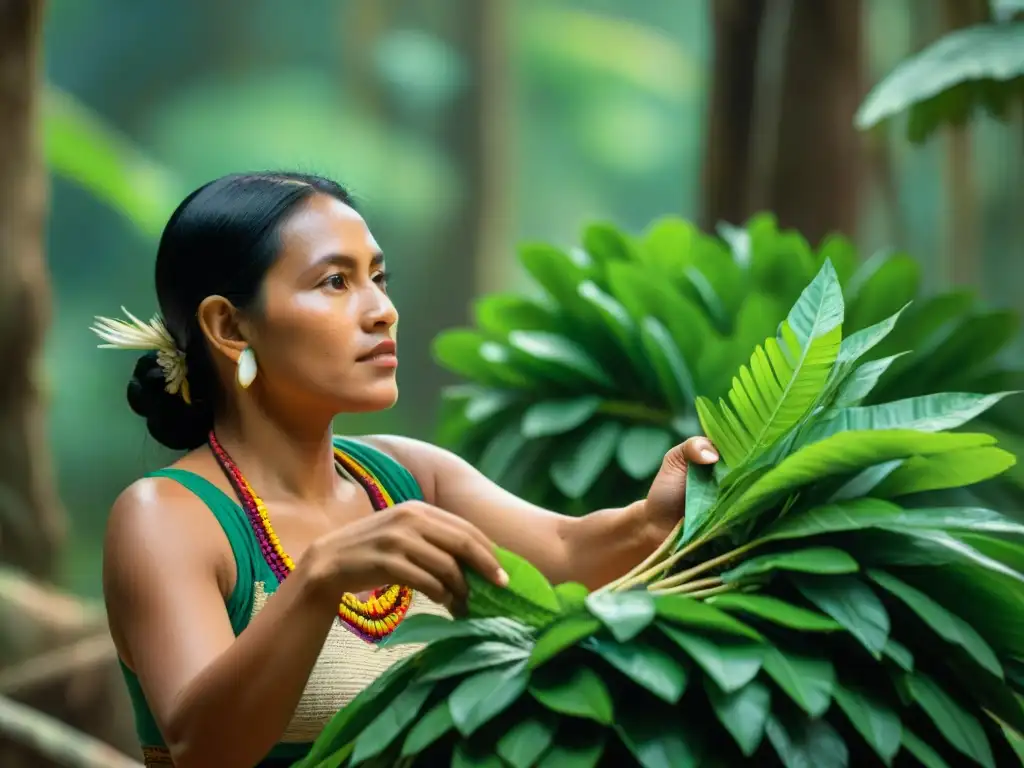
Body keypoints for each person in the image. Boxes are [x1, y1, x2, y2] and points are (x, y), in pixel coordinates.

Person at [93, 171, 720, 768]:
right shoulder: (167, 518)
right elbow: (202, 749)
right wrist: (321, 578)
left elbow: (565, 548)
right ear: (229, 326)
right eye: (335, 282)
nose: (382, 311)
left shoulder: (406, 474)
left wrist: (652, 518)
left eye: (378, 277)